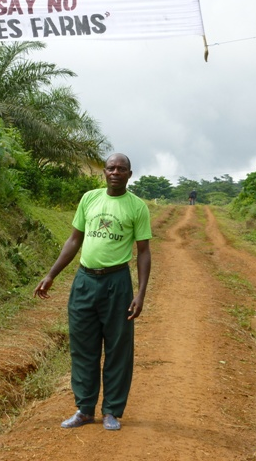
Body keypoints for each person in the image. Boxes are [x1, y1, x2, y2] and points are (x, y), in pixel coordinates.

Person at [34, 153, 151, 431]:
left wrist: (141, 293)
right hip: (85, 281)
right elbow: (74, 240)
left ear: (129, 175)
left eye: (121, 169)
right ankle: (84, 409)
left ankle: (111, 410)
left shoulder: (137, 207)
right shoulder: (89, 199)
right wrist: (51, 275)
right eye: (110, 168)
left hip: (117, 283)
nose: (115, 172)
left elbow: (144, 252)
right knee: (83, 348)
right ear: (104, 172)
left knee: (117, 349)